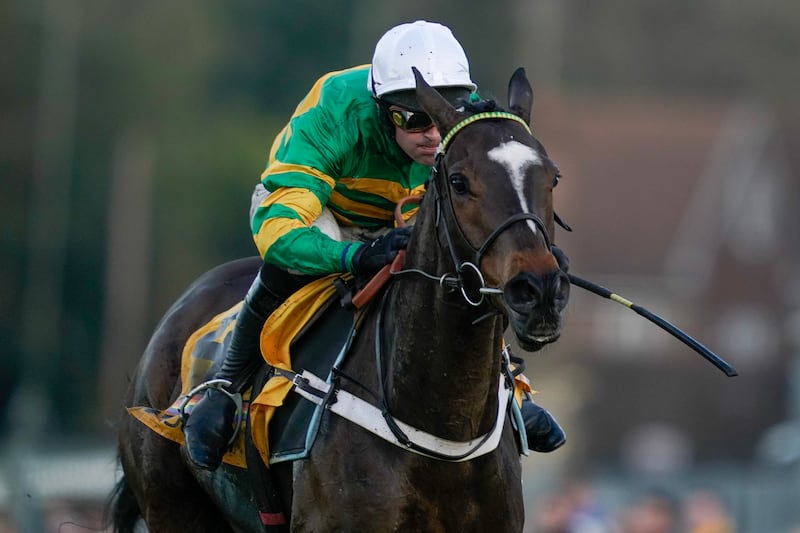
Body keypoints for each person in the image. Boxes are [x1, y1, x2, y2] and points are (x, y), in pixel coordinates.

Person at [183, 20, 566, 471]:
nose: (432, 132)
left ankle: (509, 386)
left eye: (442, 112)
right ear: (384, 108)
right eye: (414, 118)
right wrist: (355, 256)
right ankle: (225, 384)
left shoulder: (467, 129)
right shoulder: (336, 110)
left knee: (465, 267)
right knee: (300, 258)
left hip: (403, 219)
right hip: (321, 210)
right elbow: (280, 232)